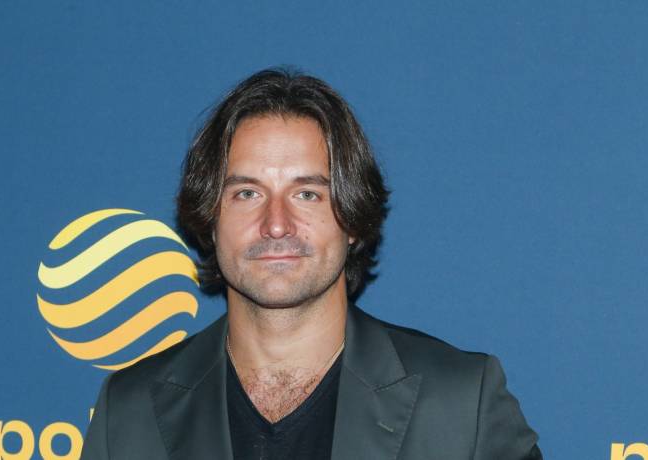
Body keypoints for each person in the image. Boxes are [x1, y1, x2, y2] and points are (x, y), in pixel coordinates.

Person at [80, 68, 542, 460]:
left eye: (307, 194)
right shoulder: (130, 411)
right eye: (247, 193)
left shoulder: (461, 404)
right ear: (210, 221)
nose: (276, 224)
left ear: (352, 219)